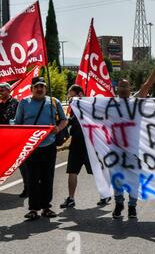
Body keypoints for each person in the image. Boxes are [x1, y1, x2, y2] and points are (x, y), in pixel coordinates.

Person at [112, 54, 155, 219]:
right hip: (115, 149)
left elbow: (147, 85)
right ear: (117, 89)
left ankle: (132, 206)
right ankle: (119, 203)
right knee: (117, 178)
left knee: (134, 179)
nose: (123, 89)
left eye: (126, 86)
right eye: (121, 86)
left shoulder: (136, 102)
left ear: (130, 88)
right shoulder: (109, 105)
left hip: (135, 150)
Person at [14, 77, 68, 220]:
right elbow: (18, 124)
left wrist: (58, 128)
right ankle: (33, 209)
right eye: (37, 86)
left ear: (45, 88)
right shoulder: (24, 103)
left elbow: (64, 119)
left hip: (48, 146)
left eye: (42, 86)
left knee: (47, 178)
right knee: (32, 178)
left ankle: (46, 208)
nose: (40, 89)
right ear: (31, 88)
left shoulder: (54, 102)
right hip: (30, 147)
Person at [60, 85, 111, 208]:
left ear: (80, 94)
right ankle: (71, 198)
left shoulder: (89, 107)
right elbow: (73, 121)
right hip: (76, 143)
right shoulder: (76, 108)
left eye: (72, 95)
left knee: (96, 171)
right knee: (72, 171)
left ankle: (106, 193)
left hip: (89, 145)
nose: (70, 98)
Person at [0, 82, 29, 198]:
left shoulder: (17, 103)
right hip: (2, 137)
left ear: (9, 90)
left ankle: (28, 187)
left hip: (15, 137)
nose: (0, 92)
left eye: (2, 90)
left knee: (21, 163)